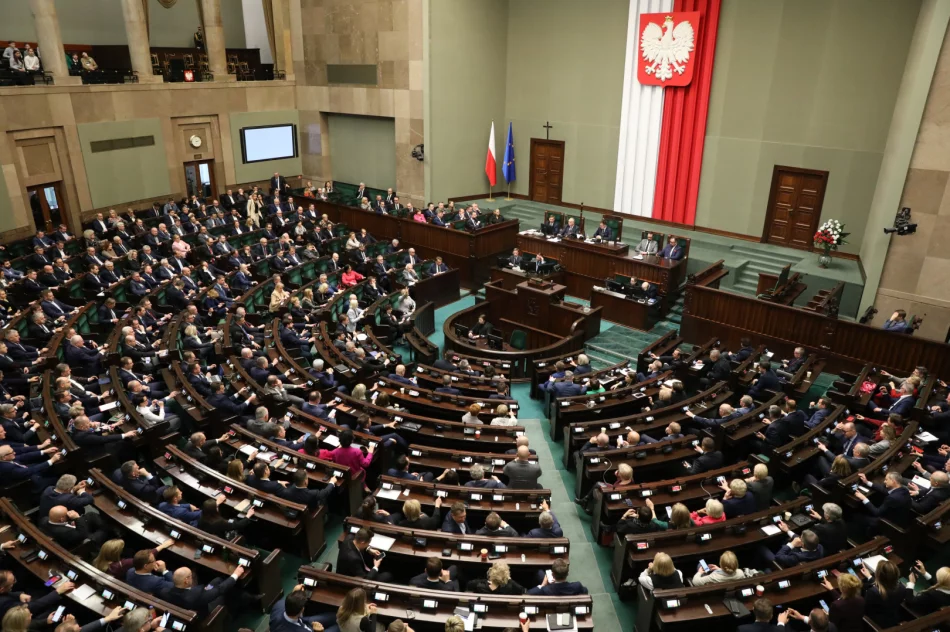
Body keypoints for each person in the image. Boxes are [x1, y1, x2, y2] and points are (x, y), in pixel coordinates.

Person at [158, 565, 245, 616]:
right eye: (191, 575)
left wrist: (164, 571)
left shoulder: (165, 592)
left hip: (196, 602)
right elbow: (220, 589)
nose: (192, 577)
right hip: (205, 612)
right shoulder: (196, 595)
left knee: (217, 580)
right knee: (225, 591)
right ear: (186, 580)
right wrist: (236, 574)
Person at [270, 583, 336, 632]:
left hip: (302, 622)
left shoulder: (278, 605)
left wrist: (295, 593)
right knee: (337, 627)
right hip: (308, 629)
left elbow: (288, 602)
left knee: (335, 617)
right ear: (302, 610)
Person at [863, 560, 906, 628]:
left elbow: (865, 610)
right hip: (893, 618)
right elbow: (885, 585)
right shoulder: (902, 587)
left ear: (878, 574)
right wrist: (869, 577)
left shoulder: (873, 592)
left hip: (876, 623)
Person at [691, 550, 760, 586]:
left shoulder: (714, 577)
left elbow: (695, 582)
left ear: (721, 563)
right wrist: (719, 570)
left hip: (713, 585)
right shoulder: (740, 572)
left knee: (700, 564)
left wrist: (699, 572)